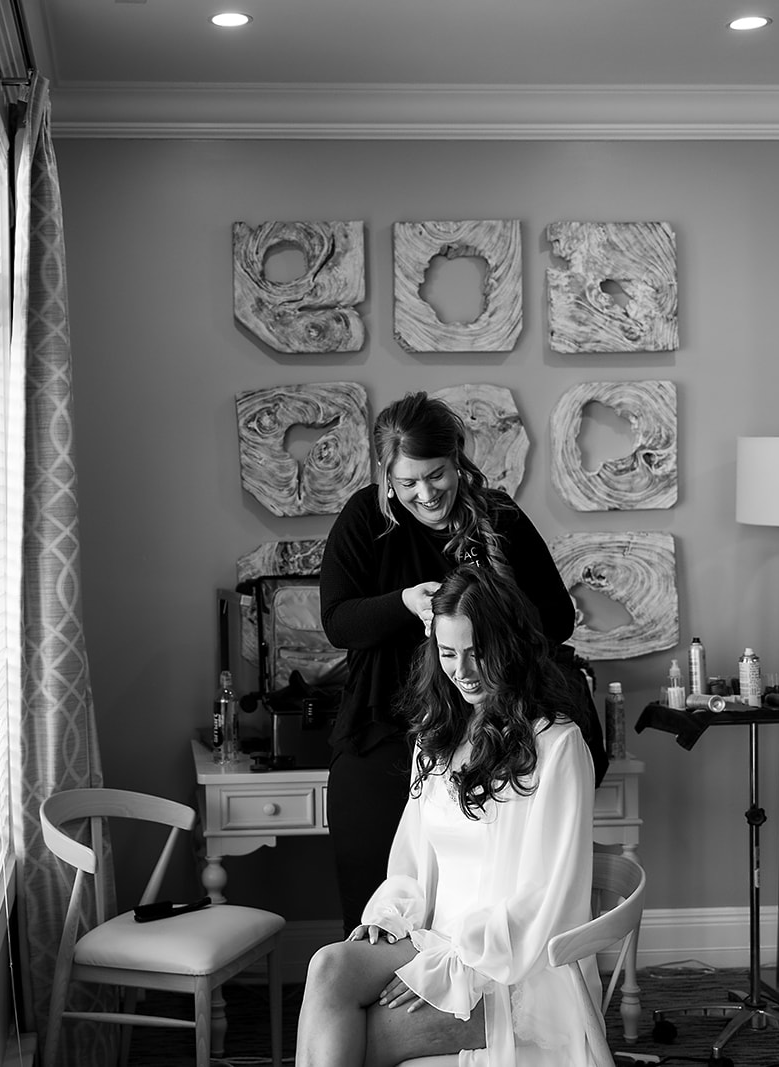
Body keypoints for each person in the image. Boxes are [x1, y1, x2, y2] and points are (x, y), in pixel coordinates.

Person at [320, 390, 607, 933]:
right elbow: (338, 622)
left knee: (475, 891)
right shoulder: (365, 518)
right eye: (407, 484)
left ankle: (465, 998)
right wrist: (405, 603)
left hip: (482, 728)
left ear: (457, 459)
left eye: (437, 475)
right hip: (384, 728)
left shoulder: (497, 518)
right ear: (387, 476)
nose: (425, 494)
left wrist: (494, 616)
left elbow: (557, 619)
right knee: (377, 904)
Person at [296, 566, 605, 1067]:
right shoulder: (436, 740)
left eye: (477, 653)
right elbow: (411, 862)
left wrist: (453, 968)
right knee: (329, 966)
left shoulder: (557, 745)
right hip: (437, 942)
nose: (462, 670)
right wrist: (387, 920)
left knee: (350, 1037)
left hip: (516, 970)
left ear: (510, 647)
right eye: (447, 654)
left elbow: (547, 898)